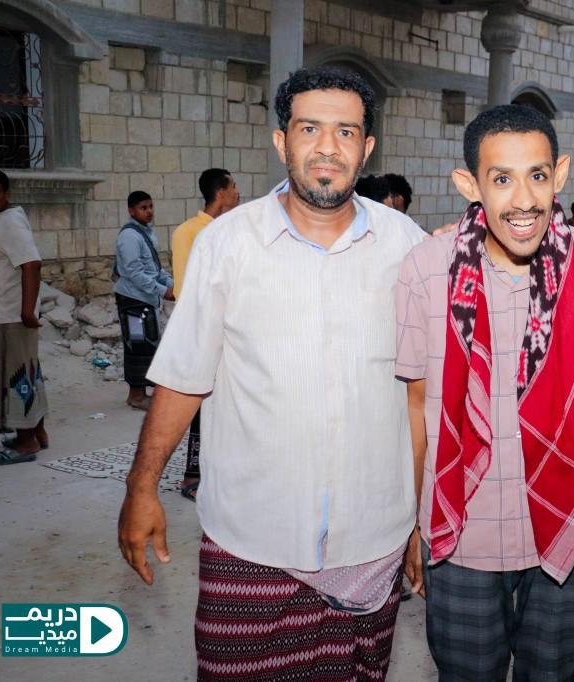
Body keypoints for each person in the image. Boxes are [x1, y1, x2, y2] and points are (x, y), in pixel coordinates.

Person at [117, 67, 425, 681]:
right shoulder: (228, 244)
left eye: (345, 132)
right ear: (282, 141)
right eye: (310, 129)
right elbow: (183, 376)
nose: (328, 147)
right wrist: (141, 486)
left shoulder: (407, 247)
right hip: (249, 542)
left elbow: (424, 395)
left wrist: (420, 517)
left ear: (366, 148)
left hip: (373, 538)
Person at [396, 104, 574, 681]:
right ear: (469, 184)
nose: (524, 200)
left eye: (537, 175)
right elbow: (417, 406)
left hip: (571, 523)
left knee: (552, 673)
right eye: (502, 179)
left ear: (560, 174)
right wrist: (416, 522)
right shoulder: (426, 270)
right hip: (464, 532)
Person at [170, 168, 240, 501]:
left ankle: (222, 473)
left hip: (231, 334)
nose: (238, 192)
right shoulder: (189, 232)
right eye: (234, 186)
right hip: (202, 332)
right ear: (221, 192)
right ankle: (192, 476)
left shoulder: (232, 231)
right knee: (200, 407)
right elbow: (186, 289)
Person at [0, 168, 49, 465]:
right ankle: (38, 434)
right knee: (27, 372)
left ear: (6, 193)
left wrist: (27, 310)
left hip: (11, 315)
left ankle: (26, 444)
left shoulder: (10, 221)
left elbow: (32, 264)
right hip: (2, 310)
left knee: (15, 378)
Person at [114, 191, 174, 411]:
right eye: (143, 208)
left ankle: (142, 393)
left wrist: (172, 283)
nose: (149, 211)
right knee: (137, 344)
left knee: (147, 343)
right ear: (131, 211)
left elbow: (154, 269)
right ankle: (136, 396)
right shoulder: (130, 236)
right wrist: (162, 291)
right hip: (133, 300)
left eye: (150, 206)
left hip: (144, 300)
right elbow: (134, 273)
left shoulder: (145, 232)